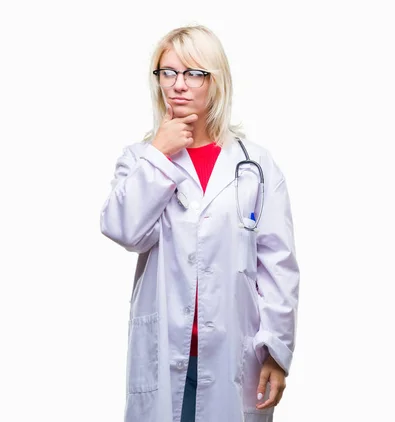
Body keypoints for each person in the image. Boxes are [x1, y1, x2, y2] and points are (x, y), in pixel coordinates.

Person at [100, 24, 300, 422]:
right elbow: (123, 229)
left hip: (234, 353)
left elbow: (277, 265)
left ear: (216, 80)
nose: (178, 85)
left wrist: (276, 351)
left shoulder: (255, 165)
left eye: (193, 73)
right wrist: (159, 153)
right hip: (163, 350)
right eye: (167, 72)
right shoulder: (140, 159)